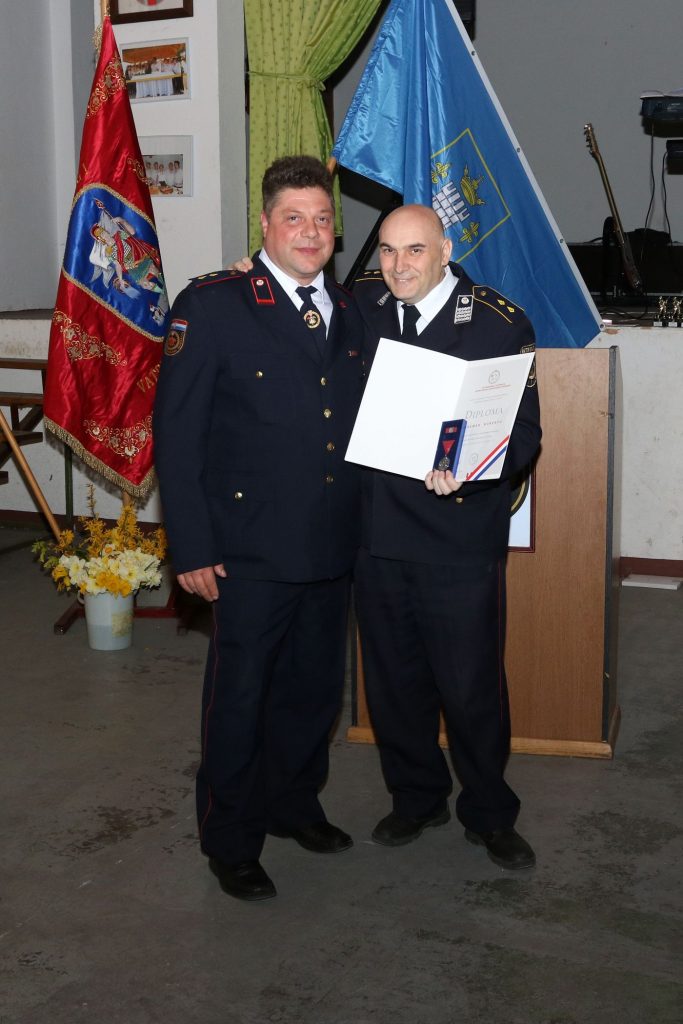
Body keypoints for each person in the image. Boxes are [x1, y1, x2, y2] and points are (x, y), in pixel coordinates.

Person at [153, 156, 367, 902]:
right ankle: (232, 839)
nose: (309, 232)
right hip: (246, 548)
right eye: (293, 218)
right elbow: (177, 434)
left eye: (321, 218)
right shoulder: (213, 305)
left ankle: (293, 804)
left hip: (330, 541)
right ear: (267, 225)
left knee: (313, 693)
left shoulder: (351, 309)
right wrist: (192, 546)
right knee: (239, 699)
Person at [351, 204, 541, 870]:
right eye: (387, 250)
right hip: (377, 533)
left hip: (456, 537)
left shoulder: (496, 323)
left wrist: (473, 468)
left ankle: (489, 813)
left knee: (469, 688)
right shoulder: (362, 308)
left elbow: (523, 433)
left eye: (414, 250)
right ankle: (416, 798)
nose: (398, 265)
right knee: (392, 683)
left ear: (446, 249)